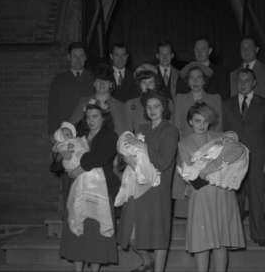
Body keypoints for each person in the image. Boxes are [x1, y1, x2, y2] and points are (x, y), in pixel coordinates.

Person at [176, 102, 245, 272]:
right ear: (190, 121)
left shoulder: (220, 137)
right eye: (197, 121)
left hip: (222, 193)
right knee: (202, 241)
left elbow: (238, 152)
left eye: (205, 121)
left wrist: (212, 167)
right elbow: (189, 174)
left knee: (220, 242)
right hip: (201, 194)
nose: (202, 125)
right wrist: (208, 171)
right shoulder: (184, 144)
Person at [118, 91, 179, 272]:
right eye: (149, 107)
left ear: (164, 108)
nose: (152, 110)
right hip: (137, 185)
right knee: (131, 234)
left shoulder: (170, 130)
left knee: (159, 232)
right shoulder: (141, 128)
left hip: (158, 187)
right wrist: (125, 158)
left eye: (157, 106)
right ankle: (147, 261)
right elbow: (128, 152)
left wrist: (143, 146)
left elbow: (164, 161)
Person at [59, 102, 120, 272]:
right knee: (77, 230)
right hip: (78, 189)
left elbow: (97, 158)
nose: (91, 120)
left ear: (104, 118)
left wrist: (78, 168)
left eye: (95, 116)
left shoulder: (110, 136)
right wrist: (62, 155)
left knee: (96, 232)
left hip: (100, 190)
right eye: (88, 117)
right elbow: (59, 160)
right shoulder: (79, 135)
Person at [223, 68, 265, 247]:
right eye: (240, 80)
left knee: (256, 198)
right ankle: (234, 237)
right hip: (234, 160)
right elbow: (222, 133)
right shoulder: (227, 104)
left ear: (254, 83)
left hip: (258, 160)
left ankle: (258, 235)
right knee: (235, 200)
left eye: (247, 80)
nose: (243, 84)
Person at [230, 37, 265, 220]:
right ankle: (241, 211)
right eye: (242, 47)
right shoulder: (234, 74)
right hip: (240, 140)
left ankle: (263, 211)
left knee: (260, 182)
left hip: (262, 136)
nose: (245, 50)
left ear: (257, 49)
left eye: (249, 47)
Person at [48, 41, 94, 217]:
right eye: (74, 56)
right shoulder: (59, 81)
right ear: (68, 57)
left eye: (81, 56)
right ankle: (68, 217)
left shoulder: (92, 79)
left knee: (87, 175)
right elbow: (52, 110)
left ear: (86, 58)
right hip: (65, 137)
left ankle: (87, 215)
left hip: (86, 136)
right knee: (67, 177)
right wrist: (53, 137)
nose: (78, 59)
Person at [69, 63, 128, 136]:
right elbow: (70, 125)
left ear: (111, 84)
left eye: (105, 81)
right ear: (94, 83)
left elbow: (123, 133)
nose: (102, 83)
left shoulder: (120, 105)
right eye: (98, 80)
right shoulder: (83, 102)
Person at [174, 65, 222, 138]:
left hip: (209, 145)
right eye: (191, 77)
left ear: (204, 81)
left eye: (199, 77)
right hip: (186, 144)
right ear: (188, 81)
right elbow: (177, 127)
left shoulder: (215, 99)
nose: (195, 81)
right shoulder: (180, 99)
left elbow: (218, 127)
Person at [125, 63, 173, 133]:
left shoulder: (167, 102)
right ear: (139, 84)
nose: (147, 85)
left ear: (156, 83)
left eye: (151, 82)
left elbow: (172, 127)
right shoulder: (130, 104)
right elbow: (127, 131)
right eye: (143, 82)